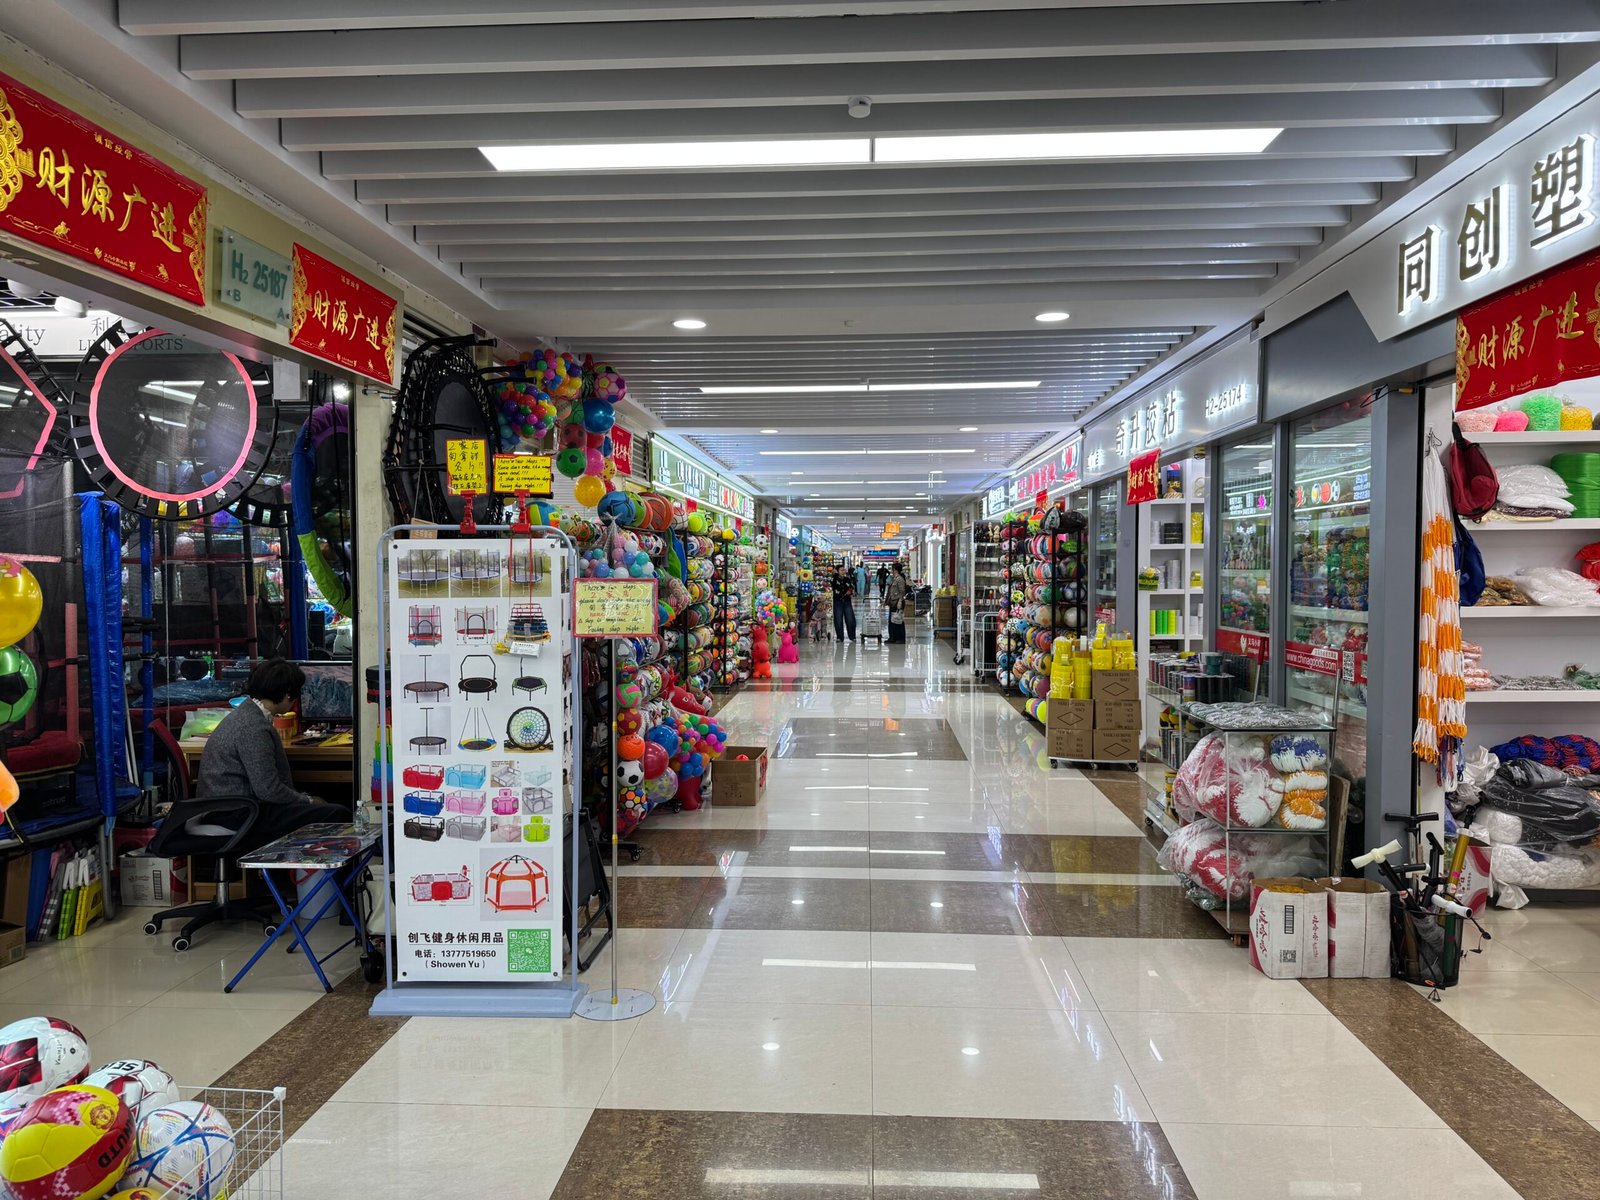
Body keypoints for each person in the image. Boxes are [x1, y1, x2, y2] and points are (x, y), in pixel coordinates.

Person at [197, 659, 350, 842]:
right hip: (237, 814)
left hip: (231, 808)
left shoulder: (247, 714)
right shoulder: (253, 727)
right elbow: (268, 790)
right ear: (287, 696)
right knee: (337, 813)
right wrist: (308, 801)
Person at [830, 563, 858, 642]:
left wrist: (850, 591)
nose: (843, 571)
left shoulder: (847, 579)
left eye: (844, 570)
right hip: (837, 601)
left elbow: (852, 587)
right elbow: (832, 584)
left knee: (850, 619)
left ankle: (852, 636)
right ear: (837, 571)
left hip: (847, 602)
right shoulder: (834, 579)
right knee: (838, 619)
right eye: (841, 570)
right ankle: (839, 637)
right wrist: (835, 574)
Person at [886, 563, 909, 644]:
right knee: (892, 621)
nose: (891, 570)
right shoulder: (895, 579)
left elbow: (902, 591)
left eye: (892, 569)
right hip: (893, 602)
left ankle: (900, 638)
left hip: (897, 602)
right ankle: (892, 638)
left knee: (898, 620)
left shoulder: (900, 579)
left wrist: (900, 601)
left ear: (895, 570)